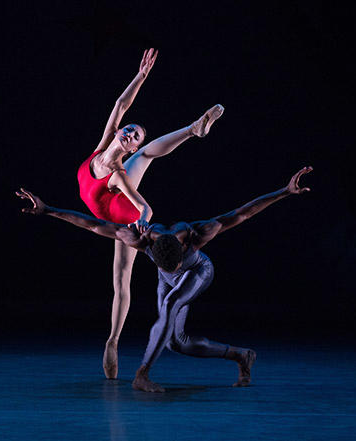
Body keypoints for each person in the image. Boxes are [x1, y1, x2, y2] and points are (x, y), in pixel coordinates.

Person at [17, 165, 312, 392]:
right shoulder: (141, 237)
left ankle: (142, 374)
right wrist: (48, 210)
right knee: (177, 343)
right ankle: (241, 356)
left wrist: (284, 192)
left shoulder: (199, 233)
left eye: (172, 265)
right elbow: (92, 225)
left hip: (199, 272)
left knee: (170, 304)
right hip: (169, 281)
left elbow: (244, 213)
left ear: (185, 246)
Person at [76, 48, 224, 378]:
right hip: (110, 204)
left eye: (135, 136)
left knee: (121, 281)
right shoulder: (102, 148)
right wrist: (140, 77)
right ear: (118, 133)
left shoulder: (117, 172)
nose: (130, 134)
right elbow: (120, 106)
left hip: (122, 213)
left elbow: (144, 206)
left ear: (127, 146)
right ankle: (192, 130)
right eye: (129, 130)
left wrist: (140, 223)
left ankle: (112, 342)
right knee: (118, 282)